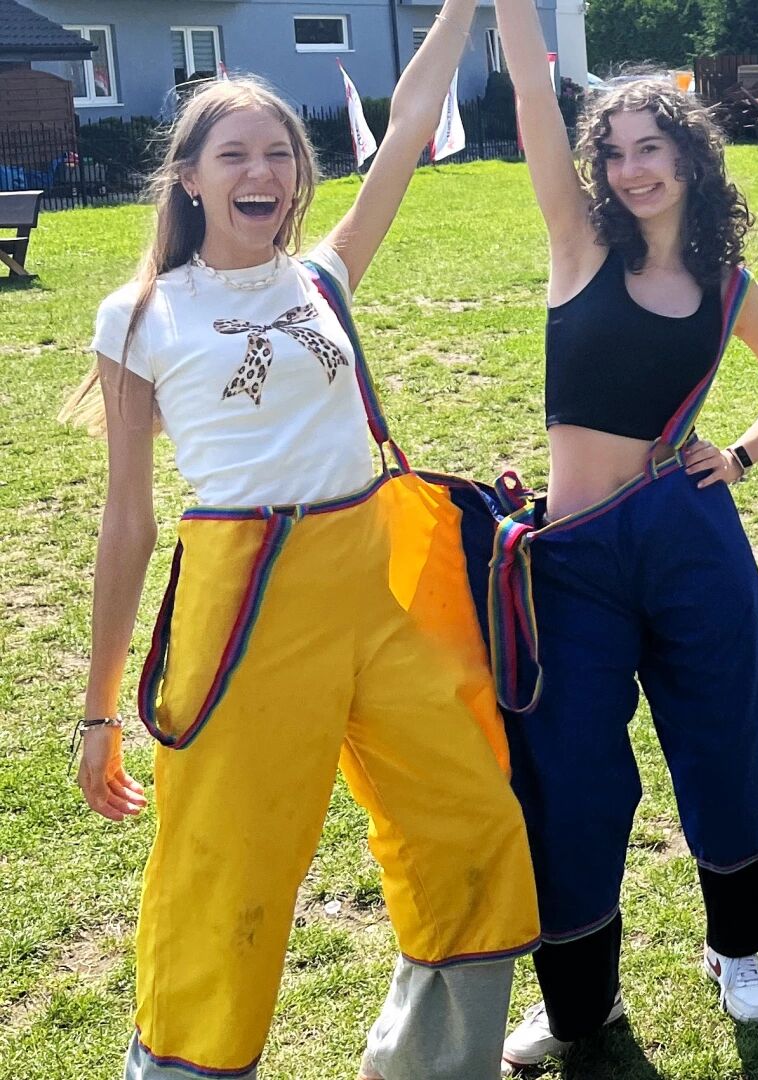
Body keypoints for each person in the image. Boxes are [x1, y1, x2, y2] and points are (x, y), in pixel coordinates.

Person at [66, 9, 541, 1077]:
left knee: (466, 817)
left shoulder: (323, 276)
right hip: (245, 599)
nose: (263, 172)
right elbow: (128, 521)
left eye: (280, 153)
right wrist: (99, 711)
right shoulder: (138, 315)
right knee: (226, 863)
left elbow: (411, 121)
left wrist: (461, 10)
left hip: (377, 578)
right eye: (235, 154)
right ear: (189, 178)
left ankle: (432, 1064)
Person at [490, 2, 758, 1069]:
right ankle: (580, 1005)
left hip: (688, 544)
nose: (632, 171)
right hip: (574, 563)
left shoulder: (727, 287)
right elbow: (534, 96)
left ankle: (740, 950)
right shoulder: (578, 247)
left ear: (688, 159)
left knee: (729, 740)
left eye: (651, 149)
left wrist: (742, 457)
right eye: (616, 153)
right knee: (571, 778)